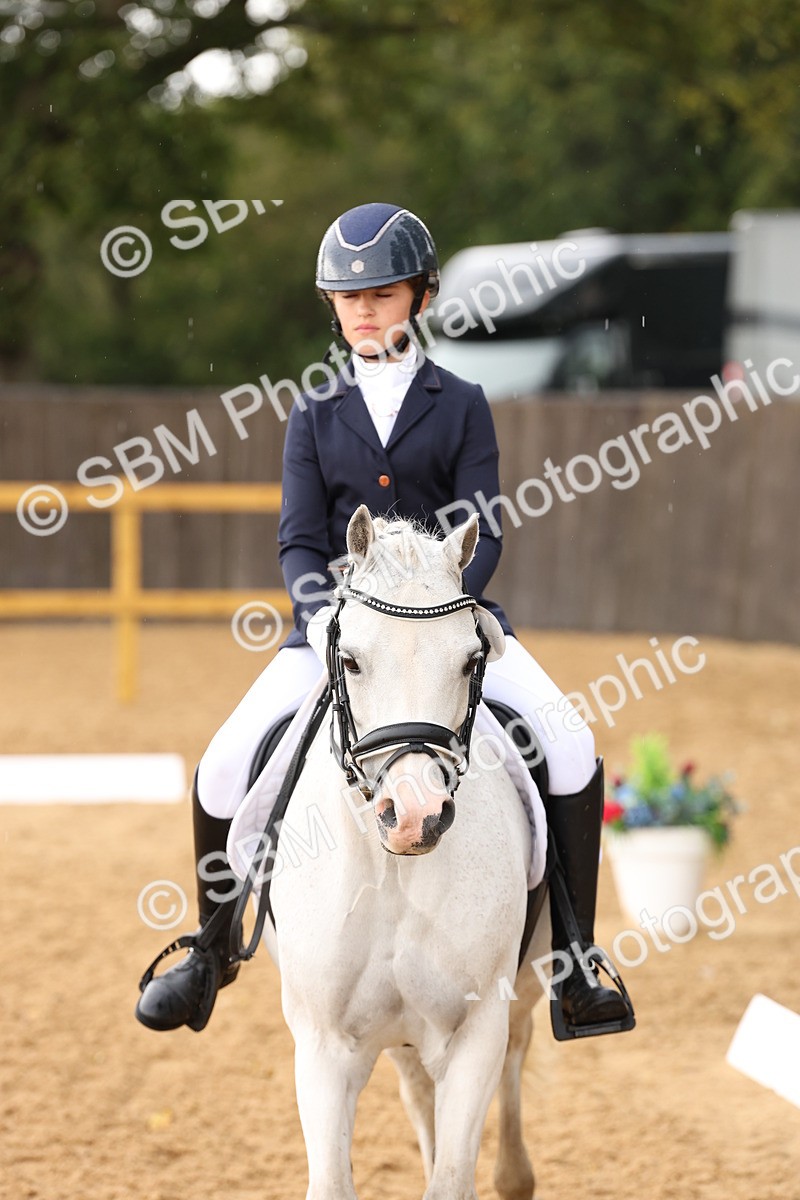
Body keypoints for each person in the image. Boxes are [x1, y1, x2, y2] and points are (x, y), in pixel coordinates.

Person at [135, 202, 634, 1037]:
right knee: (222, 765)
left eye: (383, 294)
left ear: (422, 298)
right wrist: (324, 617)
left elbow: (485, 526)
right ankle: (211, 950)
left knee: (572, 743)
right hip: (338, 635)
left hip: (448, 626)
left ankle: (576, 960)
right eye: (349, 297)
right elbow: (299, 541)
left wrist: (445, 604)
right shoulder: (314, 409)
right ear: (332, 305)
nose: (364, 310)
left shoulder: (462, 402)